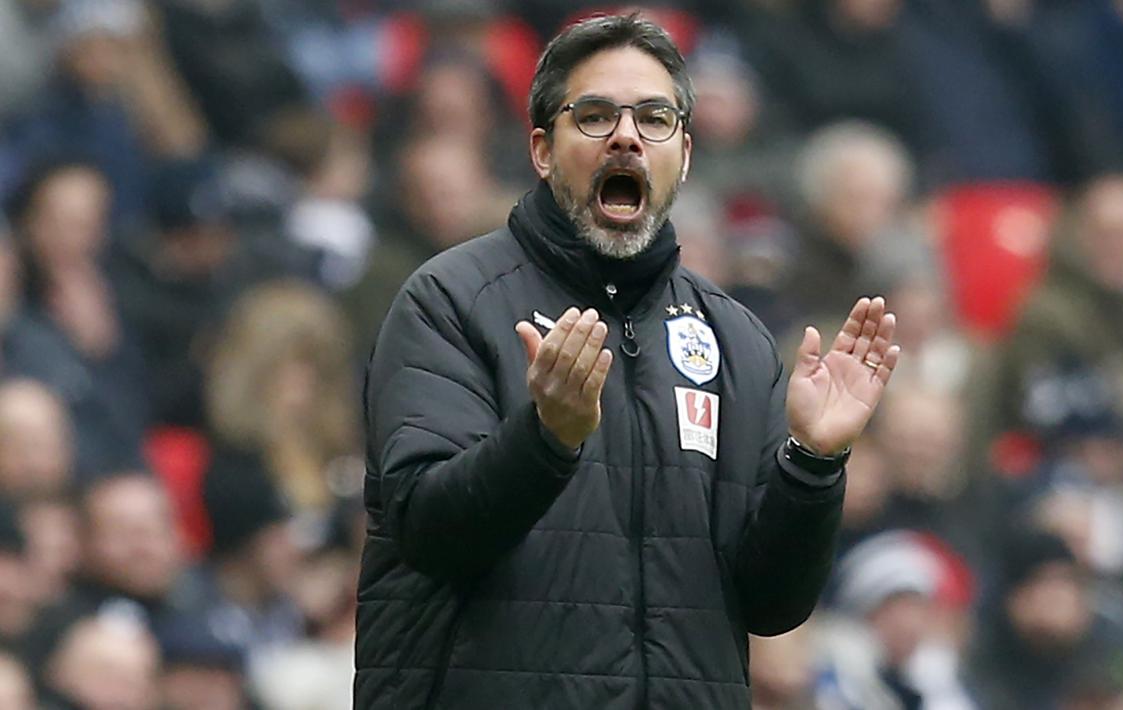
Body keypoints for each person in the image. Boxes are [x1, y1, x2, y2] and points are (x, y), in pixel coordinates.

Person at [355, 14, 901, 709]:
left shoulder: (733, 339)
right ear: (541, 150)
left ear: (685, 153)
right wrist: (544, 438)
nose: (625, 135)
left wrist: (813, 464)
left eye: (654, 117)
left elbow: (770, 606)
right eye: (592, 116)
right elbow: (429, 534)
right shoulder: (448, 303)